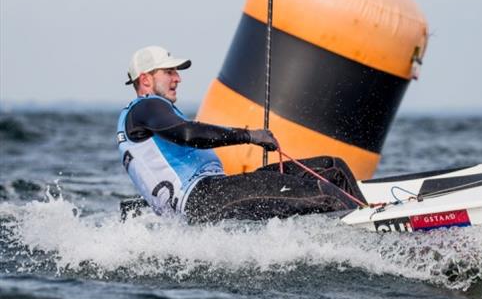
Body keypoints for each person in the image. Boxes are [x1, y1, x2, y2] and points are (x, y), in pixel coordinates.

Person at [116, 45, 364, 223]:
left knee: (332, 168)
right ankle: (377, 235)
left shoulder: (152, 111)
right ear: (146, 79)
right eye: (169, 72)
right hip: (203, 199)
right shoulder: (145, 106)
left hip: (217, 190)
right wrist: (250, 136)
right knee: (324, 195)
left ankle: (368, 214)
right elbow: (189, 134)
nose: (178, 78)